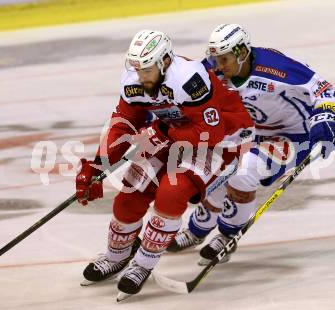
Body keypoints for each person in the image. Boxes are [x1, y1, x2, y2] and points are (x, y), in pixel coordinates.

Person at [75, 29, 254, 300]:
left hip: (223, 139)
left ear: (165, 62)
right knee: (129, 195)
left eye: (146, 69)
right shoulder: (135, 81)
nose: (140, 76)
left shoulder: (190, 79)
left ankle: (143, 264)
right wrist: (99, 164)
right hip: (175, 132)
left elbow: (210, 131)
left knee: (171, 192)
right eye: (136, 68)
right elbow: (123, 122)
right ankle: (117, 255)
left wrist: (165, 133)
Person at [167, 24, 335, 265]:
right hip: (247, 133)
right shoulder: (215, 68)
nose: (218, 66)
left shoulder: (277, 68)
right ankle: (198, 229)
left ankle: (227, 235)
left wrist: (326, 122)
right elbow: (184, 77)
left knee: (242, 173)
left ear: (241, 53)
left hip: (290, 138)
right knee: (215, 172)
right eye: (214, 58)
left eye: (224, 59)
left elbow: (324, 90)